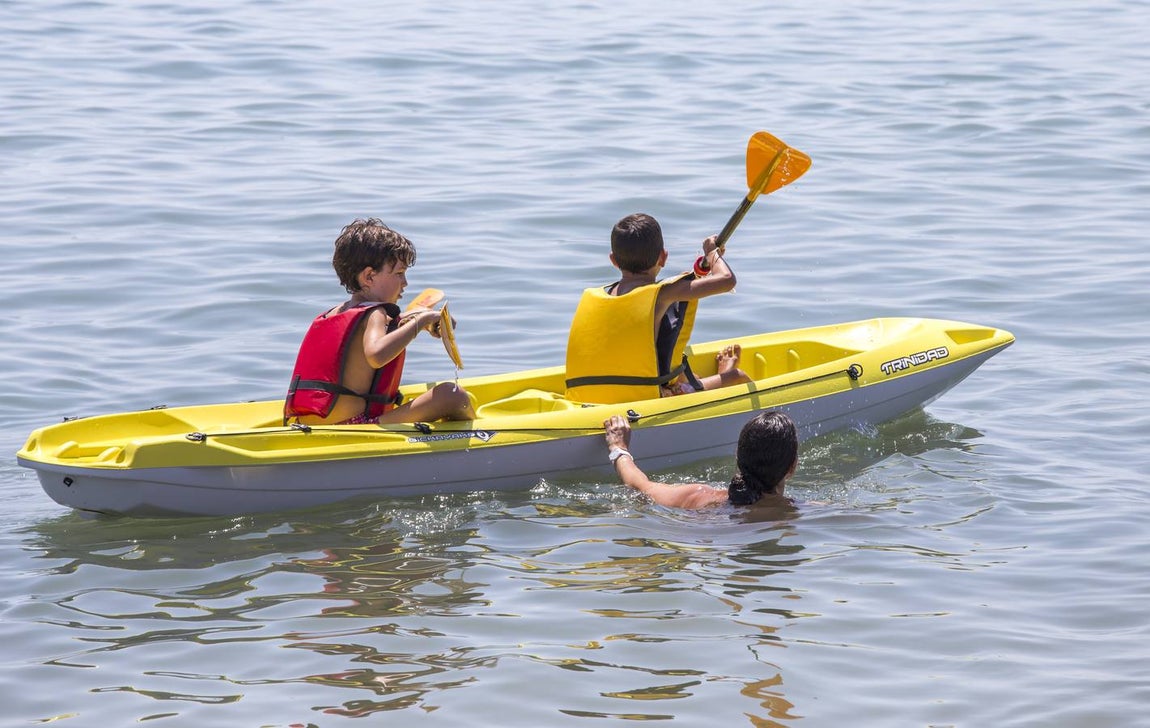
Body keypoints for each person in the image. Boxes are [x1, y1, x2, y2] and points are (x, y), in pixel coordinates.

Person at [283, 218, 475, 426]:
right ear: (368, 277)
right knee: (453, 396)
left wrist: (418, 321)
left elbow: (383, 334)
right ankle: (481, 437)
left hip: (306, 425)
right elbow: (376, 355)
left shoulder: (332, 315)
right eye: (399, 273)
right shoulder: (376, 314)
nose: (405, 283)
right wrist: (424, 320)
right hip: (356, 427)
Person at [565, 212, 752, 404]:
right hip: (645, 400)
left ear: (613, 260)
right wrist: (712, 253)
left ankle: (699, 382)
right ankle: (726, 375)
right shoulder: (663, 295)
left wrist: (701, 268)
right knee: (737, 376)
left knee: (685, 376)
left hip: (585, 398)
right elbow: (726, 280)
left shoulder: (596, 295)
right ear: (663, 257)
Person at [602, 411, 798, 509]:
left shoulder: (698, 497)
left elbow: (638, 485)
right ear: (792, 467)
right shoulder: (796, 514)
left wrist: (618, 447)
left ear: (737, 455)